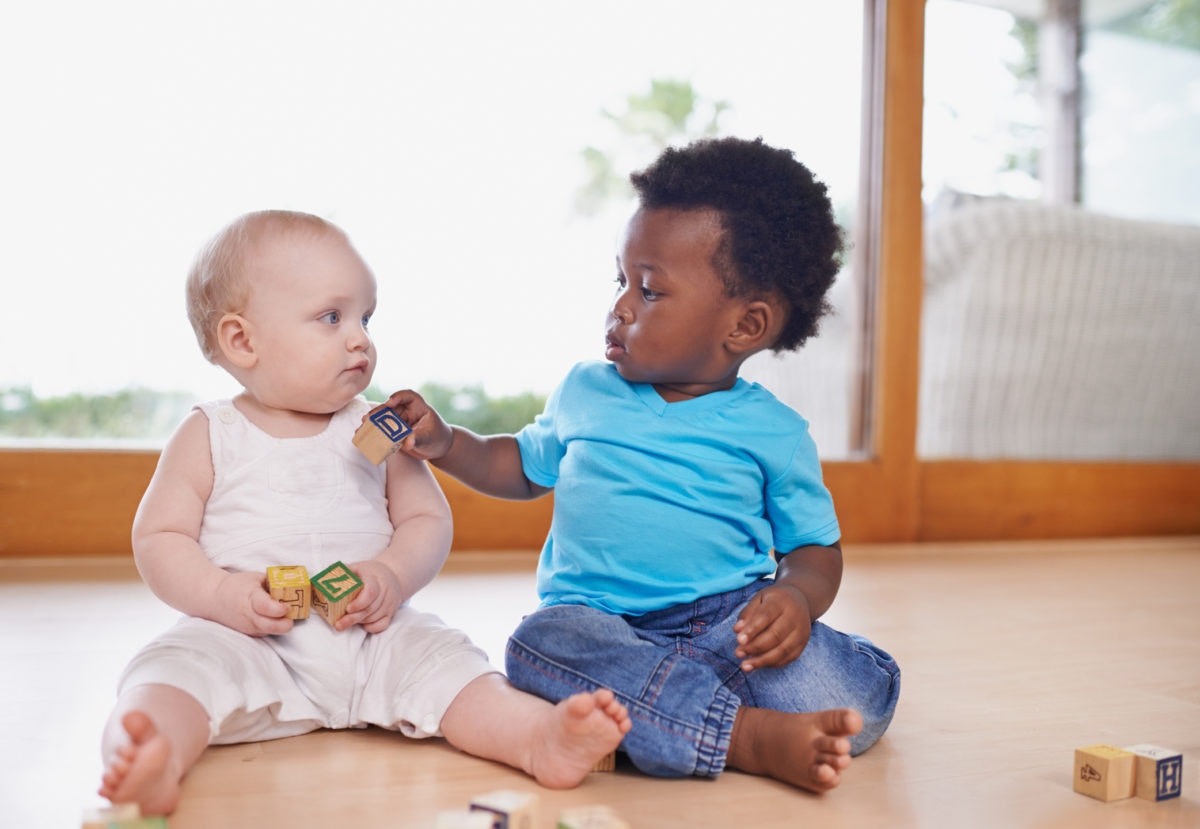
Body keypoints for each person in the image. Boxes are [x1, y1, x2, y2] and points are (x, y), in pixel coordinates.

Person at [382, 137, 901, 794]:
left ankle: (668, 712)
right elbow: (520, 466)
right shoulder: (585, 391)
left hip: (726, 625)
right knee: (538, 646)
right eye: (621, 281)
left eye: (650, 290)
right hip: (599, 624)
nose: (621, 306)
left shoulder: (775, 432)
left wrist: (795, 599)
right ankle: (746, 736)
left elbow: (814, 551)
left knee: (857, 700)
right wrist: (448, 442)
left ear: (745, 327)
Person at [97, 210, 631, 817]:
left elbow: (426, 521)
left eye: (366, 319)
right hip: (247, 639)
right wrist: (220, 595)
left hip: (374, 637)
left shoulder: (377, 428)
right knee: (171, 672)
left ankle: (536, 738)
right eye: (332, 318)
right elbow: (160, 537)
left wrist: (392, 577)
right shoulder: (210, 432)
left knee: (450, 663)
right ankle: (150, 753)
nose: (360, 339)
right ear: (242, 341)